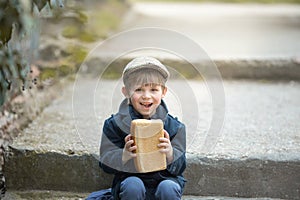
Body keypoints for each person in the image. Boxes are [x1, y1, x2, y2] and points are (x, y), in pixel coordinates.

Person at [99, 56, 186, 200]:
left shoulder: (175, 127)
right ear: (126, 92)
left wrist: (170, 153)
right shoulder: (113, 125)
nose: (146, 96)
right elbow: (104, 162)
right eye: (139, 89)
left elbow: (181, 165)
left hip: (165, 179)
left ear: (163, 92)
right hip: (130, 180)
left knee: (168, 188)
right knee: (133, 185)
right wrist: (124, 155)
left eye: (153, 89)